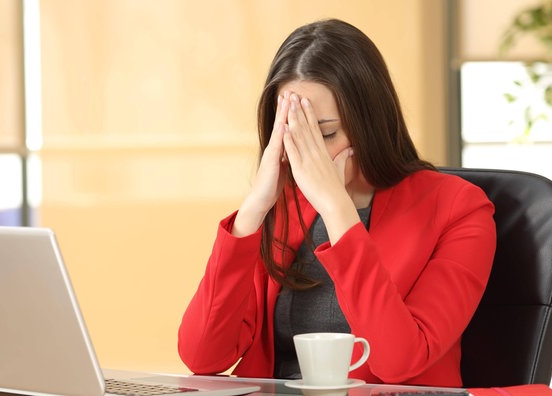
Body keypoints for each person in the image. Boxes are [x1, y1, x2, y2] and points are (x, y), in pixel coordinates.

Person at [177, 18, 496, 387]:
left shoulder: (460, 209)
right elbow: (202, 356)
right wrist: (252, 211)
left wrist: (337, 209)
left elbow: (399, 362)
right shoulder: (281, 208)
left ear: (369, 124)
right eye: (293, 133)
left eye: (324, 133)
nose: (305, 153)